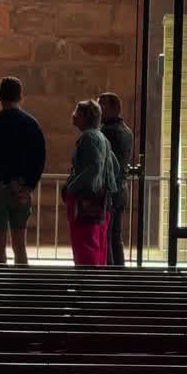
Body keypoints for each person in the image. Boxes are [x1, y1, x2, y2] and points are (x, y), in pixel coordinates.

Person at [0, 77, 46, 266]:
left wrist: (3, 179)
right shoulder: (31, 124)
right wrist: (29, 185)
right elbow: (39, 158)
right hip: (21, 190)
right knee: (20, 246)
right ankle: (22, 288)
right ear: (20, 96)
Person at [63, 100, 120, 267]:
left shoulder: (88, 137)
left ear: (85, 117)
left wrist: (70, 188)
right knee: (99, 246)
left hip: (86, 201)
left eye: (77, 112)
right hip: (103, 202)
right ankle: (97, 287)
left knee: (85, 247)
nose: (73, 115)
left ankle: (85, 287)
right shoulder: (102, 137)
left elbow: (94, 168)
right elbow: (114, 168)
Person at [98, 92, 134, 267]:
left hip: (110, 190)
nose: (98, 109)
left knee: (106, 235)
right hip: (122, 189)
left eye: (101, 105)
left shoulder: (107, 132)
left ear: (113, 108)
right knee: (115, 236)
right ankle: (119, 272)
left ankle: (110, 275)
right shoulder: (127, 130)